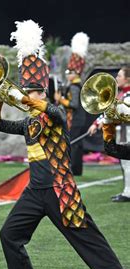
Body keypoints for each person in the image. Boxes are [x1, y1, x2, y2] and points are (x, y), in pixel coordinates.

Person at [0, 20, 129, 269]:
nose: (30, 97)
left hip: (59, 190)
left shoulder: (55, 116)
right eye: (27, 92)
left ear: (44, 93)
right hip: (34, 192)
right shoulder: (28, 125)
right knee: (9, 235)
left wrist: (27, 100)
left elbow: (48, 109)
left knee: (86, 237)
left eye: (35, 92)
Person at [89, 67, 130, 202]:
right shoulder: (120, 95)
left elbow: (123, 114)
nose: (116, 78)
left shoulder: (127, 96)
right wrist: (96, 123)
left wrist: (108, 120)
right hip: (123, 132)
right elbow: (109, 110)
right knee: (124, 163)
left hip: (127, 132)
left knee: (127, 163)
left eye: (119, 76)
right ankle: (127, 191)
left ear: (127, 79)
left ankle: (128, 193)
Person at [54, 32, 90, 176]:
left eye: (70, 71)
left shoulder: (75, 87)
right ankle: (77, 169)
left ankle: (73, 169)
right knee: (77, 144)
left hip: (75, 119)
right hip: (79, 119)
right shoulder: (76, 86)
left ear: (76, 73)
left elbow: (73, 104)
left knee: (73, 144)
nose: (68, 74)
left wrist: (60, 99)